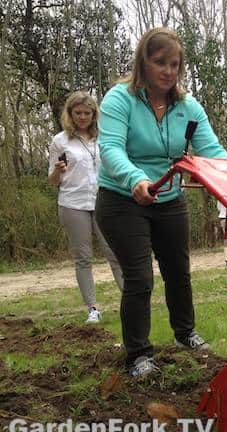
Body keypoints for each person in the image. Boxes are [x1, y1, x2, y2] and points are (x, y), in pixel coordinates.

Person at [95, 27, 227, 377]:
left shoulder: (187, 106)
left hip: (169, 198)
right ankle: (139, 355)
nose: (168, 71)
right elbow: (109, 148)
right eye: (160, 63)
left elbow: (212, 151)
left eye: (174, 64)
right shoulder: (118, 99)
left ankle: (185, 334)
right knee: (140, 278)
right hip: (122, 199)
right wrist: (134, 178)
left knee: (178, 272)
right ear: (144, 61)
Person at [48, 91, 123, 325]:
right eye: (77, 113)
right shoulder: (60, 141)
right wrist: (58, 170)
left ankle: (130, 301)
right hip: (73, 203)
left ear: (94, 115)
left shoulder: (104, 137)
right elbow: (52, 180)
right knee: (83, 257)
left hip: (103, 200)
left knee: (115, 253)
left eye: (87, 113)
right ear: (70, 115)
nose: (82, 117)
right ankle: (92, 308)